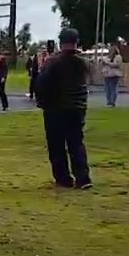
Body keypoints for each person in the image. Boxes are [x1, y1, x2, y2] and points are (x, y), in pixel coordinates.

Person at [36, 28, 92, 189]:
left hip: (56, 108)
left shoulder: (54, 62)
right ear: (77, 42)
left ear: (60, 42)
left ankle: (63, 178)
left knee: (56, 144)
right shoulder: (83, 63)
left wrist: (42, 101)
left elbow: (41, 84)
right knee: (76, 143)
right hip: (77, 107)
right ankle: (83, 177)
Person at [99, 40, 124, 107]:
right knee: (107, 89)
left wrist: (108, 63)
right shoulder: (107, 57)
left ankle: (112, 102)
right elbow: (103, 64)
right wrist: (102, 62)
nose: (110, 50)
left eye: (112, 49)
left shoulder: (118, 57)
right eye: (110, 49)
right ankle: (108, 102)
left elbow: (117, 65)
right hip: (107, 74)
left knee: (113, 88)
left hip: (114, 74)